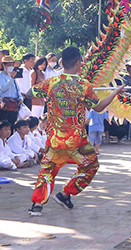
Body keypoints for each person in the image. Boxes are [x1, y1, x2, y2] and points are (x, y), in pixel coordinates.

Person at [24, 46, 124, 216]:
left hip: (55, 138)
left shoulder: (51, 82)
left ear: (61, 62)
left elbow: (28, 93)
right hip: (76, 141)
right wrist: (116, 92)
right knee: (91, 166)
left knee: (47, 170)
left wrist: (50, 95)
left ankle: (37, 205)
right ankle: (65, 194)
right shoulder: (84, 85)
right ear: (79, 63)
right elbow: (99, 107)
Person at [0, 55, 23, 127]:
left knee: (12, 125)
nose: (11, 66)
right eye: (9, 64)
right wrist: (11, 79)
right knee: (4, 126)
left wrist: (20, 98)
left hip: (14, 105)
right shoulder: (1, 76)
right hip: (5, 106)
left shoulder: (13, 76)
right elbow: (3, 89)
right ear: (4, 65)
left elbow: (17, 89)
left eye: (12, 64)